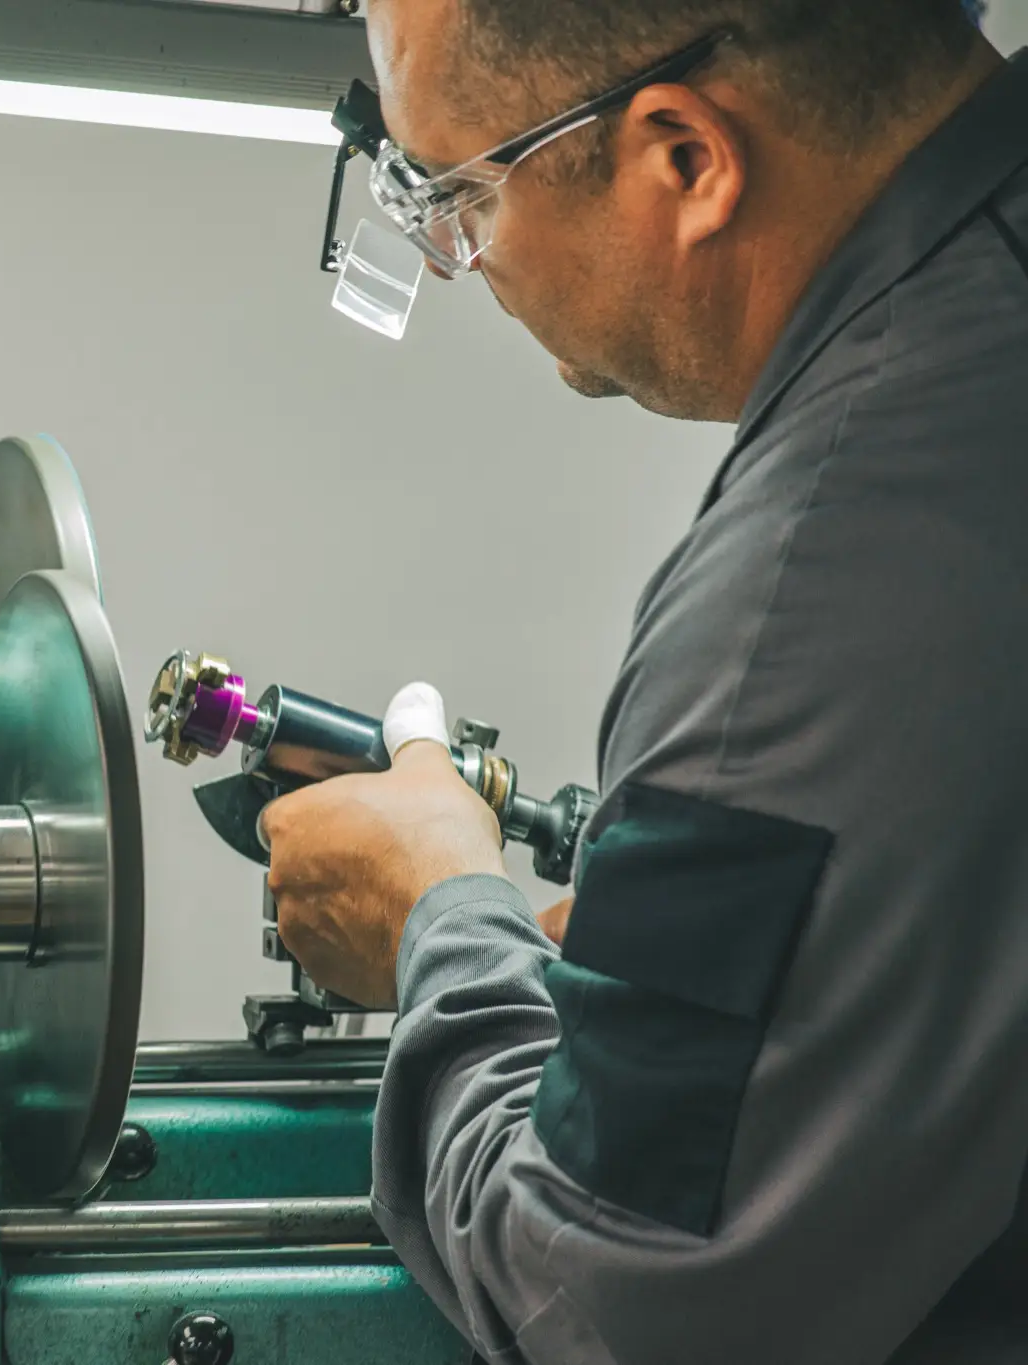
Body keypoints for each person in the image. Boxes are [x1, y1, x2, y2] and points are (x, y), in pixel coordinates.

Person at [262, 1, 1028, 1360]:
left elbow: (610, 1308)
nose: (462, 263)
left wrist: (440, 911)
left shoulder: (814, 592)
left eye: (462, 197)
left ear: (686, 159)